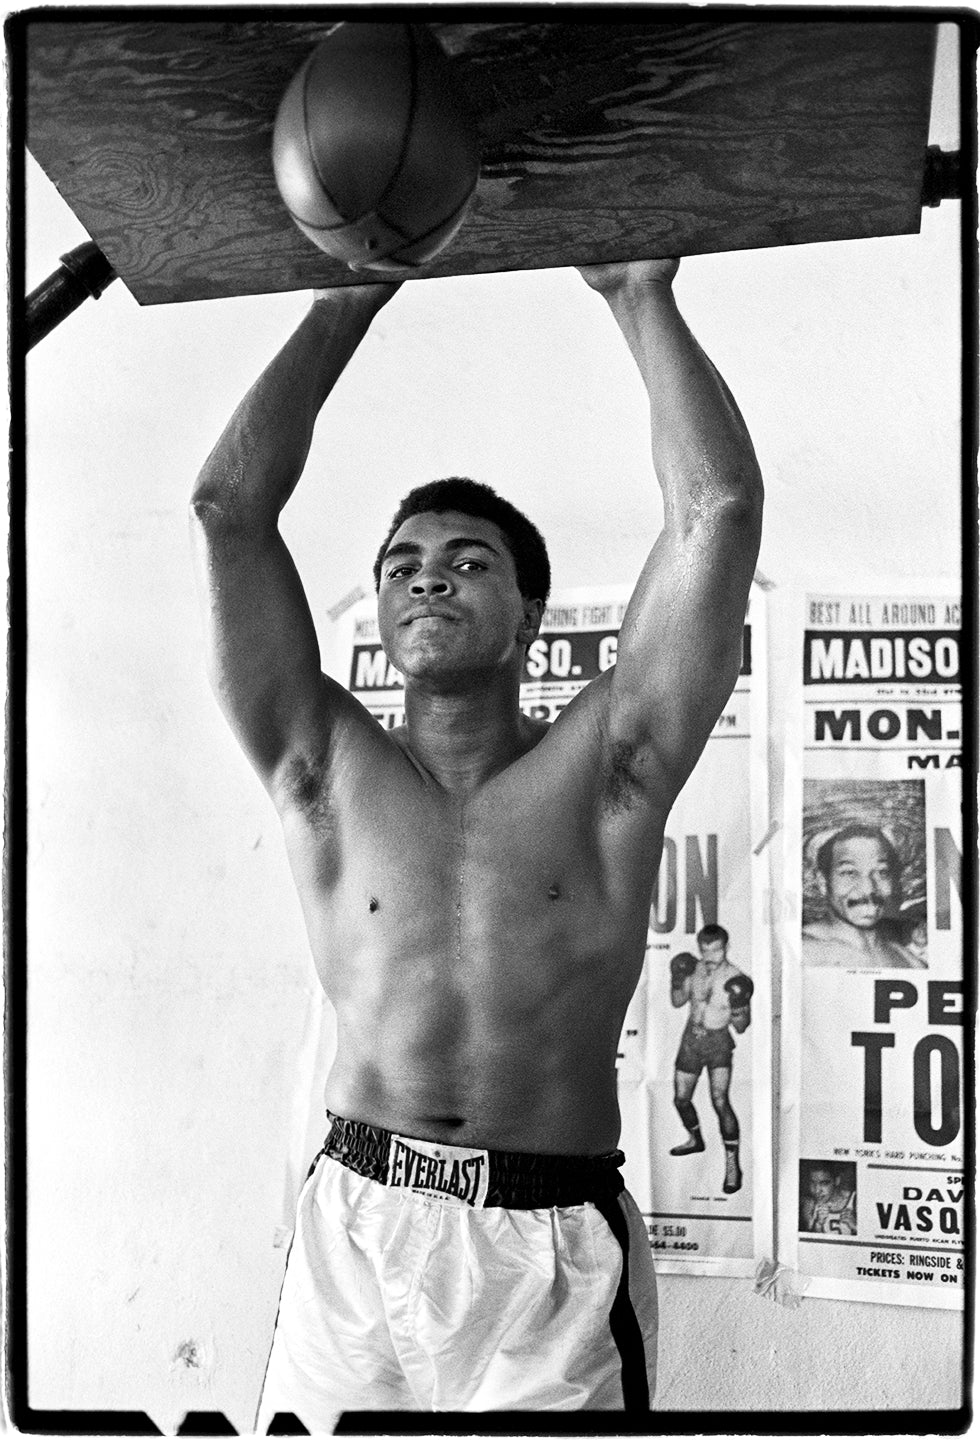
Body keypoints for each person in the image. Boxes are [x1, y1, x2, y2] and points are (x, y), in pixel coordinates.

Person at [189, 256, 763, 1424]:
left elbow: (715, 512)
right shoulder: (319, 767)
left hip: (544, 1251)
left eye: (466, 561)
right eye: (400, 563)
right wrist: (349, 294)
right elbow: (226, 509)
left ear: (530, 616)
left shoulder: (608, 771)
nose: (424, 578)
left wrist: (636, 296)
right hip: (355, 1223)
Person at [667, 925, 753, 1195]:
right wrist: (678, 978)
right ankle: (695, 1139)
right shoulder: (694, 970)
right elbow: (678, 1001)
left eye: (715, 949)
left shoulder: (735, 977)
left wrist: (738, 1006)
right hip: (691, 1039)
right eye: (705, 950)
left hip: (718, 1043)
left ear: (725, 946)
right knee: (681, 1099)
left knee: (720, 1100)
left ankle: (732, 1166)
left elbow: (741, 1027)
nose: (710, 955)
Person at [802, 823, 919, 969]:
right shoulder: (799, 953)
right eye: (850, 872)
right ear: (823, 882)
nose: (868, 889)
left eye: (882, 872)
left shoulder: (910, 962)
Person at [799, 1163, 857, 1235]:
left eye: (823, 1183)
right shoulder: (809, 1205)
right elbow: (810, 1243)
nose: (817, 1190)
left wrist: (855, 1227)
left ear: (836, 1181)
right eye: (812, 1183)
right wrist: (818, 1225)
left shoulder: (855, 1199)